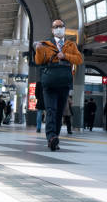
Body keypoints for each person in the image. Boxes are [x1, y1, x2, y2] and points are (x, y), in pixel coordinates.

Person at [34, 19, 83, 151]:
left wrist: (65, 55)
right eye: (56, 27)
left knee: (59, 112)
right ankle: (51, 137)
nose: (59, 28)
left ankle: (54, 137)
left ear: (64, 29)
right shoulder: (45, 44)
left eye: (61, 26)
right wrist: (38, 50)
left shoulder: (71, 45)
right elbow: (39, 61)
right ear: (52, 30)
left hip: (64, 82)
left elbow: (79, 59)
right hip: (50, 82)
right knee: (51, 110)